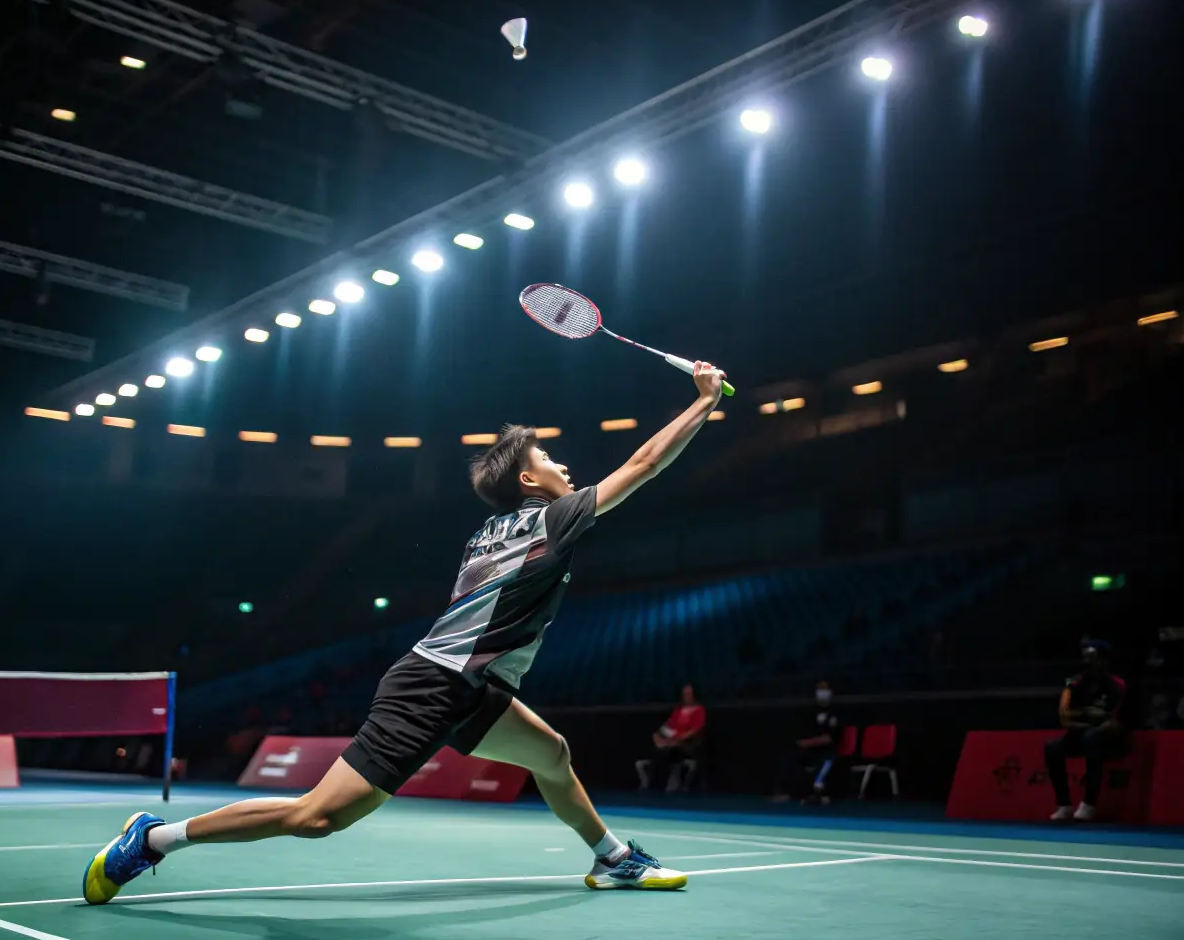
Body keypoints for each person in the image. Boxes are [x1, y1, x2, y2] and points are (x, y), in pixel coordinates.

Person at [83, 361, 729, 904]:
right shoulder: (550, 520)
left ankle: (610, 857)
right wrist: (701, 402)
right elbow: (643, 464)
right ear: (529, 482)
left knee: (551, 755)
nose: (564, 465)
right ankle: (154, 837)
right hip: (436, 686)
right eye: (549, 459)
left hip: (471, 687)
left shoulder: (488, 532)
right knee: (318, 817)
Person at [1046, 639, 1128, 823]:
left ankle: (1089, 804)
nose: (1086, 662)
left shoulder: (1117, 685)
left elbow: (1113, 722)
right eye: (1084, 658)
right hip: (1082, 733)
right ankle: (1064, 805)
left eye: (1091, 658)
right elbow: (1064, 717)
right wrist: (1088, 716)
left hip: (1111, 740)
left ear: (1104, 660)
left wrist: (1089, 719)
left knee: (1092, 738)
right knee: (1052, 747)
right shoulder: (1077, 684)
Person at [771, 680, 842, 803]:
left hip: (829, 750)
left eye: (824, 689)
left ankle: (818, 792)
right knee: (790, 756)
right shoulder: (811, 712)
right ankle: (785, 792)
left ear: (830, 692)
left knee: (828, 760)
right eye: (820, 689)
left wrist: (809, 742)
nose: (822, 692)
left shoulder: (836, 712)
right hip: (812, 751)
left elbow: (828, 739)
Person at [636, 684, 706, 791]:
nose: (687, 696)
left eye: (689, 693)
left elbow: (695, 730)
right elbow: (670, 725)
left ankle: (667, 783)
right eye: (685, 693)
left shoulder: (699, 710)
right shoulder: (678, 710)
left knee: (669, 750)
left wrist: (679, 739)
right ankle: (652, 782)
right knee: (659, 748)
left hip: (687, 744)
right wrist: (658, 735)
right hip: (672, 741)